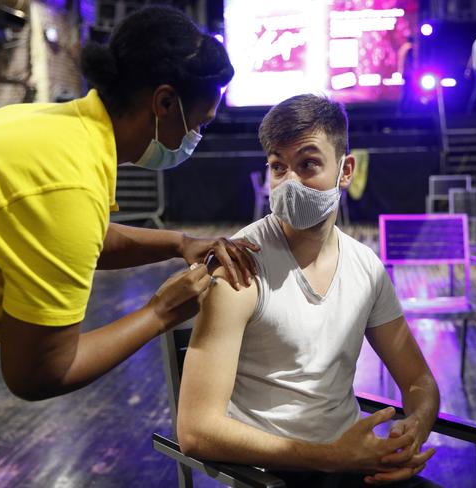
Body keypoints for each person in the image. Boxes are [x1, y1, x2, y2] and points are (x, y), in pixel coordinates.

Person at [0, 6, 259, 487]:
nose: (195, 137)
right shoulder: (67, 181)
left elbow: (81, 239)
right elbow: (38, 374)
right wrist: (160, 313)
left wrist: (180, 242)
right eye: (198, 124)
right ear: (164, 103)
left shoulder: (57, 129)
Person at [177, 94, 441, 487]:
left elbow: (419, 381)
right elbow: (196, 430)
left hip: (352, 464)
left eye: (308, 164)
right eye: (278, 167)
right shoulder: (241, 266)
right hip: (268, 474)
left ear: (345, 170)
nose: (289, 182)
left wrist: (413, 429)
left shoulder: (365, 266)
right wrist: (332, 458)